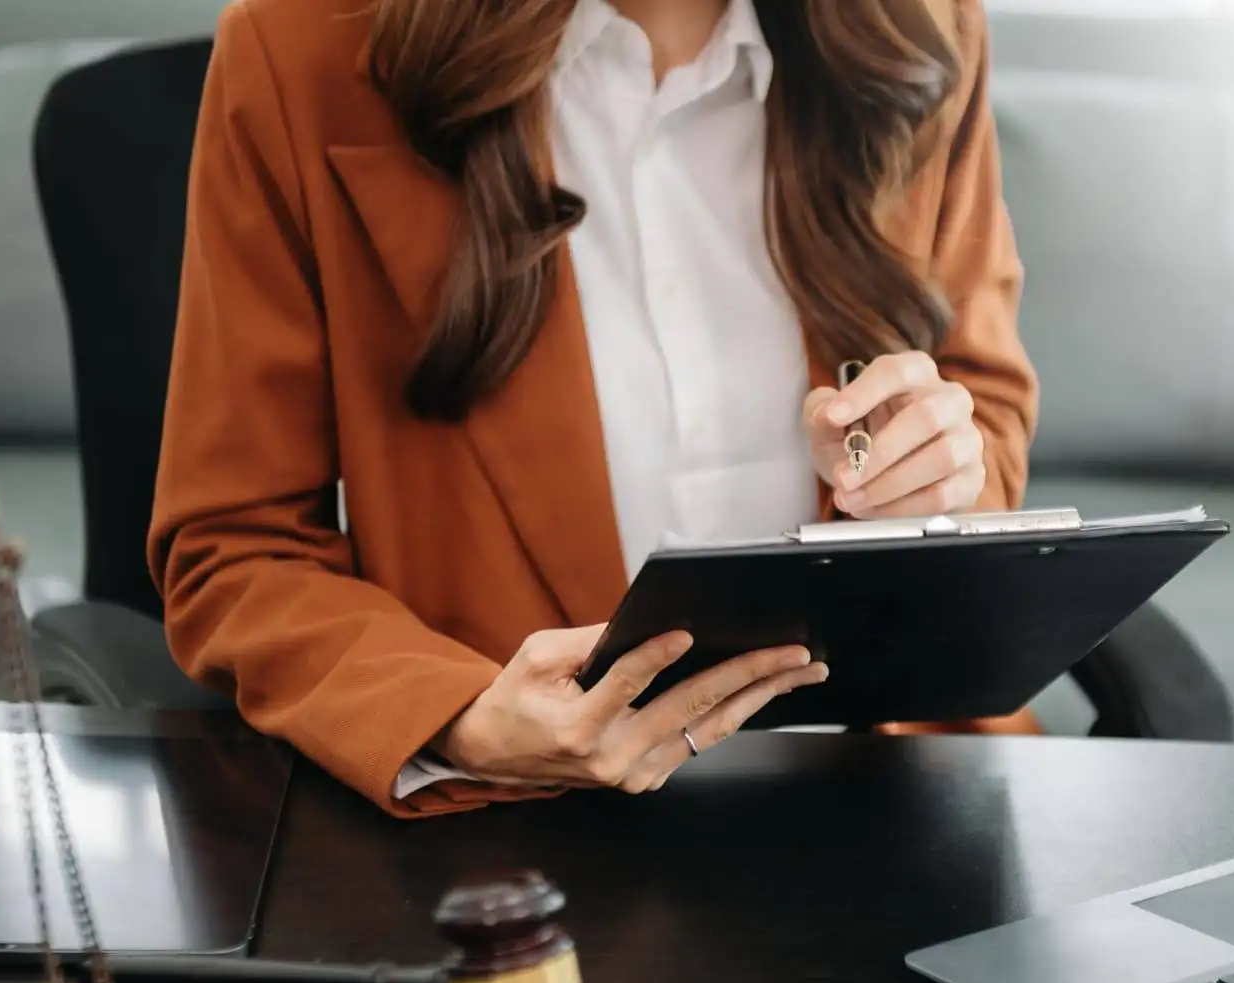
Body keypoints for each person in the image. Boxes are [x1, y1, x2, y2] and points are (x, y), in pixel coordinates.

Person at [149, 0, 1040, 818]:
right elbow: (235, 547)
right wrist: (455, 717)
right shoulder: (301, 51)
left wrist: (938, 473)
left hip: (898, 797)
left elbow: (983, 408)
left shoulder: (916, 32)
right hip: (515, 834)